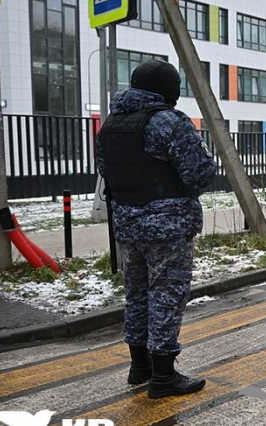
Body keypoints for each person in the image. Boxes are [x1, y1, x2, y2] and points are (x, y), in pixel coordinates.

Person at [95, 60, 217, 399]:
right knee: (166, 296)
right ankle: (163, 376)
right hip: (168, 227)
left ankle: (140, 367)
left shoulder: (110, 125)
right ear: (170, 90)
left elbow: (105, 170)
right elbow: (200, 174)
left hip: (127, 226)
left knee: (136, 295)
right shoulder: (169, 122)